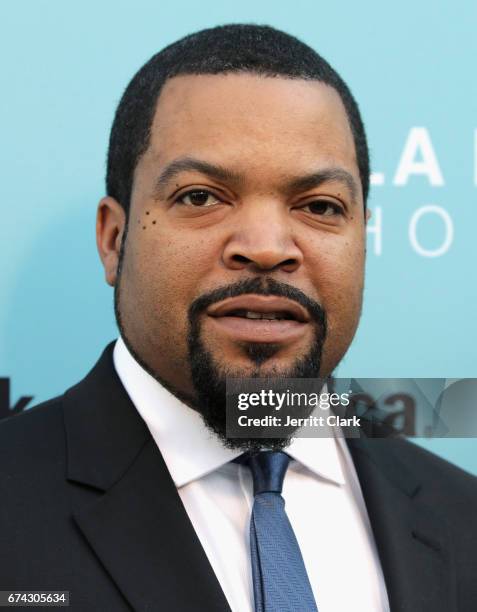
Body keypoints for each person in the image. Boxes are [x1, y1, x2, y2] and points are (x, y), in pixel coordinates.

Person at [0, 24, 476, 612]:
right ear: (113, 238)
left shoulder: (462, 518)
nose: (268, 246)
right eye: (201, 196)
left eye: (320, 206)